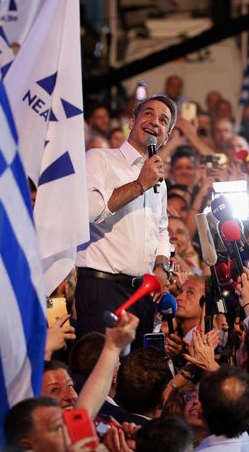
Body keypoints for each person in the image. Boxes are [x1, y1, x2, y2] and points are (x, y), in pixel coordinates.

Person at [76, 95, 176, 349]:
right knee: (98, 374)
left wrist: (162, 265)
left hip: (141, 294)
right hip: (102, 287)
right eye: (148, 114)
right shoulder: (99, 159)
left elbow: (162, 228)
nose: (155, 122)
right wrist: (140, 184)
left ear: (166, 137)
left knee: (134, 380)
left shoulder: (158, 178)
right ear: (132, 121)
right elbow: (88, 211)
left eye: (163, 121)